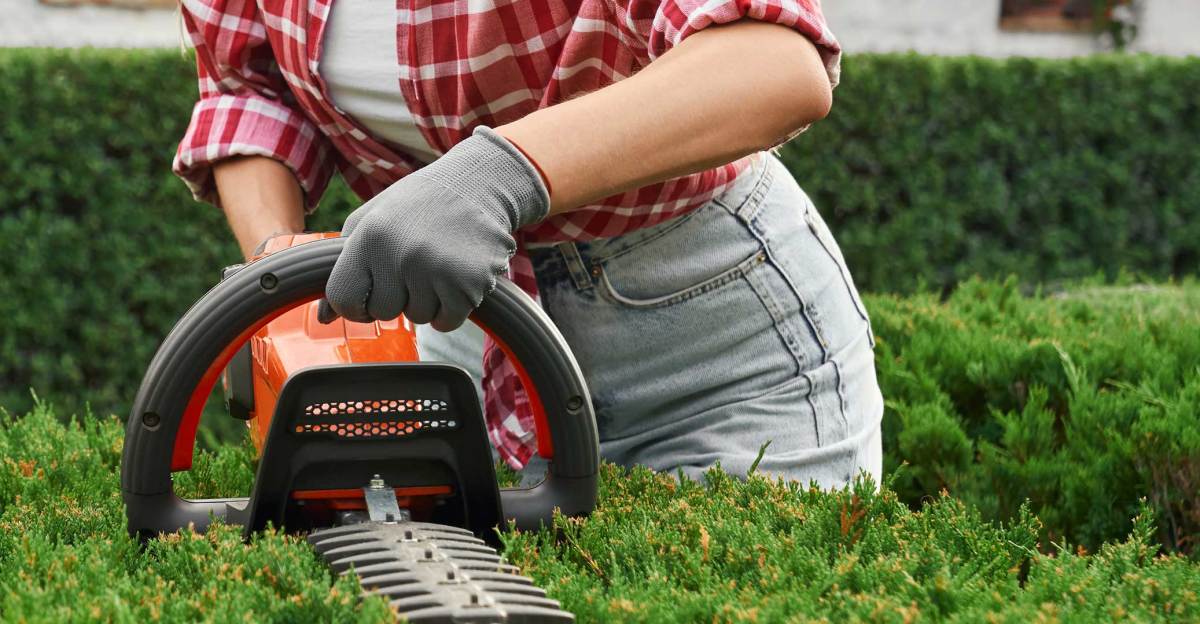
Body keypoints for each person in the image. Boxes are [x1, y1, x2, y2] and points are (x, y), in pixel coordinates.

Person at [174, 0, 883, 487]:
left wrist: (502, 172)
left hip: (712, 359)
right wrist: (280, 255)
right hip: (458, 327)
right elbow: (247, 88)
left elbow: (771, 61)